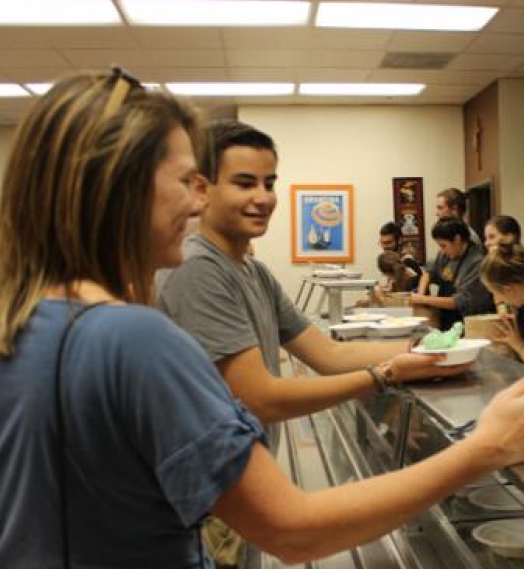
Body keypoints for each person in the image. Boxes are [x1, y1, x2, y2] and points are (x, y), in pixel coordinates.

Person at [0, 71, 524, 568]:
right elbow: (294, 530)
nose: (198, 201)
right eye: (185, 181)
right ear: (119, 187)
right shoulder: (132, 339)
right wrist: (483, 450)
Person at [158, 120, 465, 442]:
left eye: (269, 184)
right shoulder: (197, 269)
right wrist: (383, 374)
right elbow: (260, 398)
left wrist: (426, 350)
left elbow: (329, 355)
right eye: (245, 184)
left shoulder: (255, 272)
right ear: (202, 190)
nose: (263, 198)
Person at [411, 217, 494, 330]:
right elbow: (429, 272)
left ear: (457, 239)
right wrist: (420, 293)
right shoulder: (445, 255)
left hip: (467, 324)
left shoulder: (477, 263)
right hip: (446, 321)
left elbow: (460, 302)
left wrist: (423, 299)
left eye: (444, 245)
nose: (442, 250)